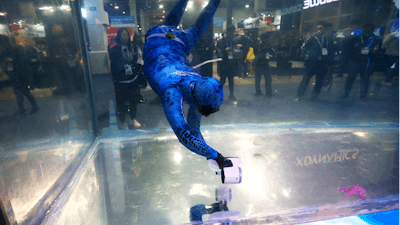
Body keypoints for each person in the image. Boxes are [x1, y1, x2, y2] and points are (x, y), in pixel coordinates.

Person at [143, 0, 229, 171]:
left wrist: (213, 156)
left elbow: (193, 131)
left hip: (172, 43)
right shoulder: (171, 90)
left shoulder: (197, 83)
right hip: (157, 42)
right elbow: (185, 135)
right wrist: (216, 156)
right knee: (195, 26)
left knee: (198, 26)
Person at [109, 28, 146, 130]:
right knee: (121, 102)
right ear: (119, 36)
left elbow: (134, 61)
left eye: (127, 35)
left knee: (133, 100)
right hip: (120, 80)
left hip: (132, 79)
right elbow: (113, 63)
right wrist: (115, 78)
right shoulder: (114, 48)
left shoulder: (132, 47)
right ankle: (123, 122)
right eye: (123, 35)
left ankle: (132, 119)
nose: (125, 37)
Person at [341, 23, 382, 101]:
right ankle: (347, 93)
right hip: (355, 61)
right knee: (352, 78)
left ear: (372, 30)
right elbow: (349, 50)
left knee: (365, 79)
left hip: (367, 61)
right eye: (364, 29)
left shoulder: (376, 40)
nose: (365, 31)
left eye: (368, 29)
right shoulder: (355, 39)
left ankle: (362, 95)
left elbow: (378, 51)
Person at [295, 24, 336, 101]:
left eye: (321, 28)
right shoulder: (312, 38)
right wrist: (310, 39)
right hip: (312, 62)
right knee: (306, 79)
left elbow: (331, 51)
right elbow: (304, 47)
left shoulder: (328, 39)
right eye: (317, 29)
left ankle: (314, 95)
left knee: (319, 80)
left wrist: (330, 63)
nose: (319, 30)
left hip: (323, 63)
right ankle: (299, 95)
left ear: (324, 29)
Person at [2, 35, 39, 115]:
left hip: (21, 75)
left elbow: (24, 63)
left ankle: (33, 106)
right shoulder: (8, 51)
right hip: (15, 75)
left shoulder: (16, 49)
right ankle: (22, 108)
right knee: (18, 92)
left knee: (24, 91)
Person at [216, 24, 239, 100]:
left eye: (232, 32)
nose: (231, 34)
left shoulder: (234, 41)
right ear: (227, 32)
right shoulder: (221, 41)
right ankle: (217, 95)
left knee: (231, 80)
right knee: (222, 80)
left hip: (231, 63)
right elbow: (218, 53)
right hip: (223, 64)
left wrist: (236, 49)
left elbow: (238, 52)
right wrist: (224, 50)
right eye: (230, 32)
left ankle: (231, 94)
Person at [253, 32, 274, 97]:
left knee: (268, 79)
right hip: (258, 63)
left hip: (266, 63)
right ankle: (258, 91)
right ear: (262, 39)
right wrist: (263, 49)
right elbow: (255, 53)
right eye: (266, 39)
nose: (267, 40)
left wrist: (270, 49)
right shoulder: (257, 45)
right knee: (258, 79)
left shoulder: (268, 45)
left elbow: (272, 52)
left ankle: (268, 91)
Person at [132, 32, 147, 103]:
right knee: (136, 82)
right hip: (136, 65)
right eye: (136, 37)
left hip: (142, 65)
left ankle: (139, 97)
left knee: (141, 83)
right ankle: (137, 97)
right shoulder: (132, 46)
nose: (138, 38)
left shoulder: (142, 45)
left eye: (139, 37)